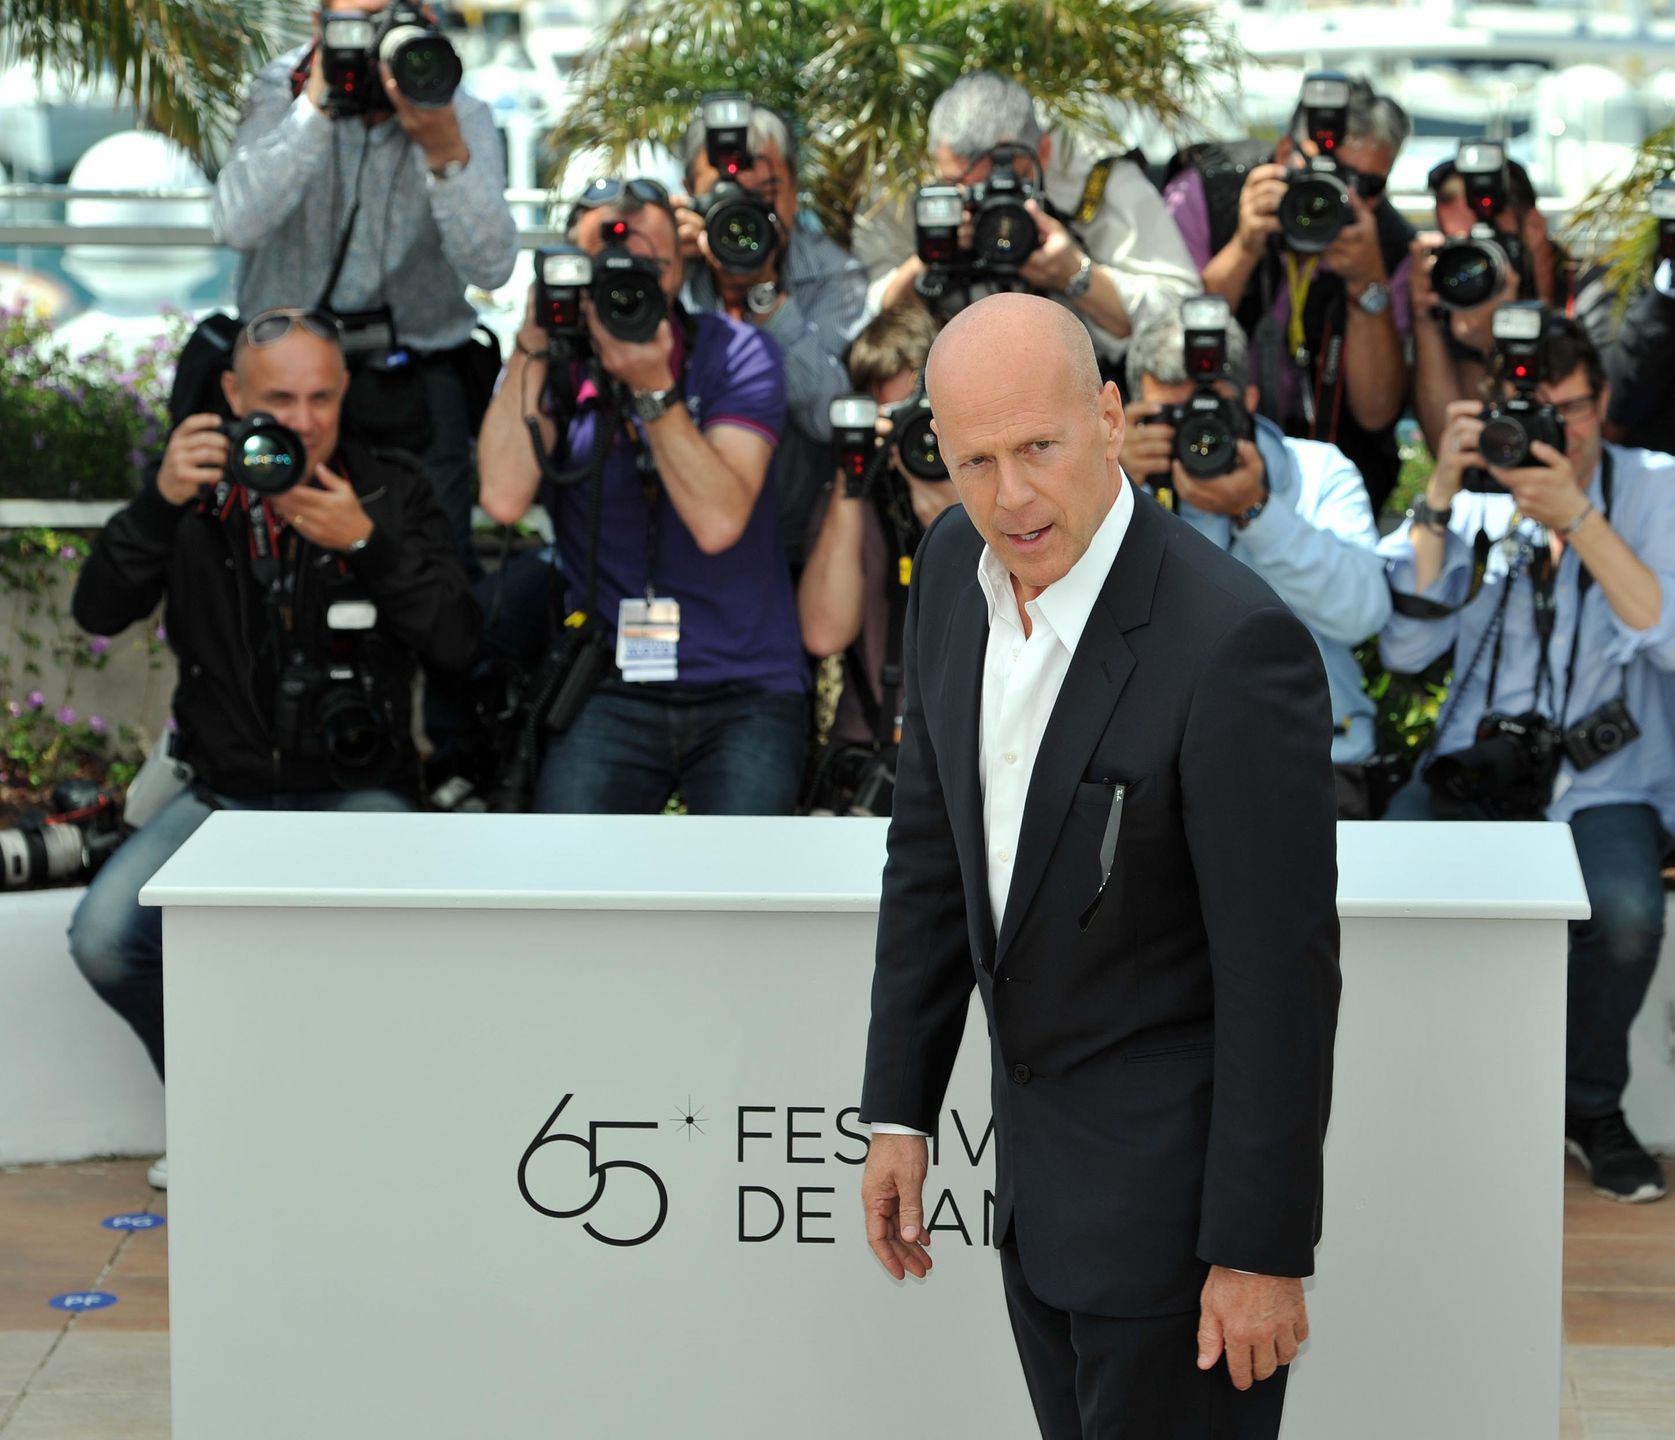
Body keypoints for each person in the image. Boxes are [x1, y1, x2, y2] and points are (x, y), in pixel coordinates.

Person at [858, 293, 1341, 1439]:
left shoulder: (1232, 644)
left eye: (1038, 447)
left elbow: (1280, 980)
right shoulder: (952, 570)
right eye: (975, 462)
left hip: (1181, 1238)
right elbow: (929, 857)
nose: (1011, 497)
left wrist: (1257, 1251)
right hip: (1037, 1209)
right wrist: (898, 1112)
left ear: (1110, 419)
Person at [66, 309, 481, 1185]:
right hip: (225, 791)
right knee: (105, 938)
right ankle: (226, 1118)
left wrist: (365, 544)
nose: (301, 421)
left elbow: (458, 644)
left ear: (346, 392)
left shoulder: (389, 488)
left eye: (321, 398)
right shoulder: (195, 493)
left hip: (361, 789)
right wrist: (158, 504)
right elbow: (97, 611)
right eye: (278, 401)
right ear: (230, 395)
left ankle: (369, 1136)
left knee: (412, 958)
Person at [1379, 313, 1675, 1204]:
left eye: (1570, 411)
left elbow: (1663, 629)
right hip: (1480, 764)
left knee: (1627, 914)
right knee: (1380, 888)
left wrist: (1577, 519)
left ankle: (1588, 1105)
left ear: (1602, 402)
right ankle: (1416, 1103)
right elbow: (1402, 646)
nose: (1552, 433)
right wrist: (1440, 491)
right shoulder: (1476, 497)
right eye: (1532, 414)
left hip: (1604, 776)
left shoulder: (1655, 486)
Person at [476, 180, 809, 815]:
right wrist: (535, 336)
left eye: (648, 267)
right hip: (609, 680)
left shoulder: (738, 350)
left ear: (678, 270)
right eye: (602, 266)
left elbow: (718, 521)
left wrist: (652, 389)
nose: (624, 284)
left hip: (746, 685)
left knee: (747, 875)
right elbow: (502, 498)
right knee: (569, 872)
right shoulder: (555, 362)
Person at [212, 0, 519, 575]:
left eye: (389, 19)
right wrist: (315, 108)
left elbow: (492, 268)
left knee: (433, 568)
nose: (375, 42)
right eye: (358, 22)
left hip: (416, 381)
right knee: (268, 564)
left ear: (424, 17)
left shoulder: (456, 106)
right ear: (319, 24)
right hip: (290, 388)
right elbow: (235, 224)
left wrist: (443, 150)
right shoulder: (283, 90)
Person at [1120, 302, 1391, 818]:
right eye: (1173, 418)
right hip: (1160, 775)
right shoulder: (1111, 489)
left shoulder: (1318, 472)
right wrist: (1116, 490)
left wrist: (1258, 511)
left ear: (1248, 399)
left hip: (1314, 763)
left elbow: (1363, 615)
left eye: (1210, 412)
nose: (1197, 435)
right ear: (1132, 415)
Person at [1164, 77, 1413, 513]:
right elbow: (1164, 349)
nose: (1336, 197)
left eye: (1366, 186)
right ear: (1283, 155)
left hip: (1331, 480)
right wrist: (1244, 247)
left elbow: (1377, 412)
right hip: (1202, 455)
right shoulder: (1209, 189)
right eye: (1321, 174)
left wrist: (1368, 284)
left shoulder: (1389, 243)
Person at [862, 71, 1200, 377]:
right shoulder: (898, 182)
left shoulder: (1094, 176)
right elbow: (871, 326)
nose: (980, 206)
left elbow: (1181, 315)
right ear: (936, 160)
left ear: (1044, 152)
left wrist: (1073, 273)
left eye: (1000, 186)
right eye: (958, 186)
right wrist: (929, 256)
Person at [675, 100, 868, 567]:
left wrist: (764, 294)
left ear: (794, 192)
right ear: (689, 194)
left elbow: (827, 417)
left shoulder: (833, 275)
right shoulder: (670, 264)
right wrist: (659, 260)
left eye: (764, 192)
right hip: (679, 524)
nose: (745, 213)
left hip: (795, 534)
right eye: (725, 194)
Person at [798, 305, 959, 777]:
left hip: (967, 750)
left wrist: (942, 499)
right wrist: (853, 477)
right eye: (888, 418)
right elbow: (823, 634)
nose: (904, 435)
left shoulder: (985, 497)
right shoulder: (848, 504)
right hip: (867, 751)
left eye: (916, 418)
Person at [1410, 154, 1612, 455]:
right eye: (1463, 248)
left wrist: (1495, 342)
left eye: (1491, 241)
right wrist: (1424, 318)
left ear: (1534, 227)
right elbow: (1450, 447)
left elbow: (1597, 434)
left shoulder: (1596, 297)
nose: (1477, 266)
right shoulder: (1457, 301)